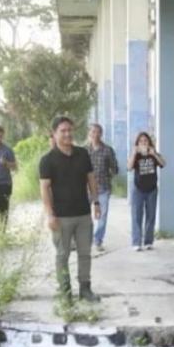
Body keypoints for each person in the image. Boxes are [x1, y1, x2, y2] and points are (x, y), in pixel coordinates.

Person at [39, 116, 100, 302]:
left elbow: (91, 179)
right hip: (61, 217)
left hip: (83, 215)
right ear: (54, 133)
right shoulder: (47, 160)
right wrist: (50, 215)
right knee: (62, 255)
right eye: (63, 131)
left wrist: (96, 202)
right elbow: (44, 189)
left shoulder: (83, 154)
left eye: (70, 130)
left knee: (85, 254)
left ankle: (85, 290)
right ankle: (65, 292)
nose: (67, 134)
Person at [128, 132, 165, 251]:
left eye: (145, 141)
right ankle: (136, 242)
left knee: (151, 216)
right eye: (141, 141)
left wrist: (154, 154)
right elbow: (129, 167)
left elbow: (163, 164)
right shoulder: (136, 155)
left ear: (149, 142)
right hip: (138, 189)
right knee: (136, 215)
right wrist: (134, 153)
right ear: (137, 144)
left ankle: (148, 241)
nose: (143, 143)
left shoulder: (153, 153)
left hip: (152, 189)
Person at [87, 123, 119, 252]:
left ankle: (98, 240)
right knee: (84, 216)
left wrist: (109, 174)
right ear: (89, 133)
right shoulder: (84, 151)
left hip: (103, 188)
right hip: (86, 188)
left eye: (98, 132)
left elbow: (115, 168)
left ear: (101, 134)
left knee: (102, 216)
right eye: (93, 132)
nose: (95, 134)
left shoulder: (108, 150)